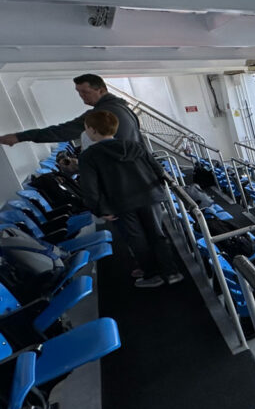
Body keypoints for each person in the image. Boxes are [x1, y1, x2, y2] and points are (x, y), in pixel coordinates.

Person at [77, 110, 183, 288]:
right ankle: (172, 272)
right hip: (150, 196)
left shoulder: (88, 156)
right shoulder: (135, 145)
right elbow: (157, 169)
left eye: (86, 128)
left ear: (93, 130)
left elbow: (90, 187)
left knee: (137, 239)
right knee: (157, 235)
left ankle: (152, 275)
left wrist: (100, 209)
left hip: (121, 204)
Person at [0, 73, 143, 148]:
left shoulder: (100, 114)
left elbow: (62, 131)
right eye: (79, 92)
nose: (81, 96)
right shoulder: (123, 107)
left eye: (85, 92)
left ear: (101, 90)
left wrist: (20, 137)